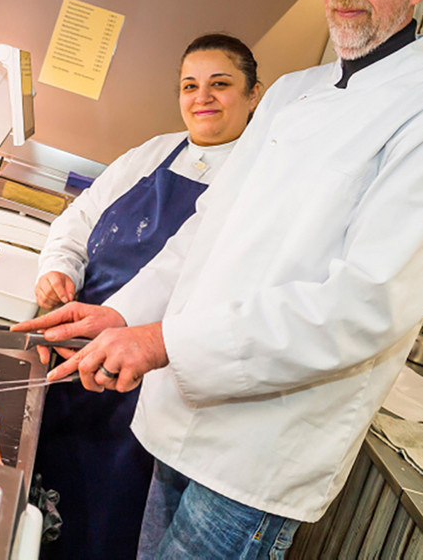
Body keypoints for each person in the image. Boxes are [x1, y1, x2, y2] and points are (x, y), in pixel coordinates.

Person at [15, 0, 423, 560]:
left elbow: (360, 308)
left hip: (257, 459)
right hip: (178, 415)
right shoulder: (294, 94)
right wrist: (122, 316)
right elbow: (206, 234)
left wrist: (163, 341)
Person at [32, 33, 261, 560]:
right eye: (190, 85)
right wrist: (59, 269)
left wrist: (120, 325)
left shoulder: (253, 181)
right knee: (41, 496)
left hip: (145, 380)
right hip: (74, 355)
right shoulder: (152, 152)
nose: (202, 97)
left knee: (105, 519)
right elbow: (80, 219)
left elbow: (181, 273)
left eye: (220, 84)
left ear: (253, 94)